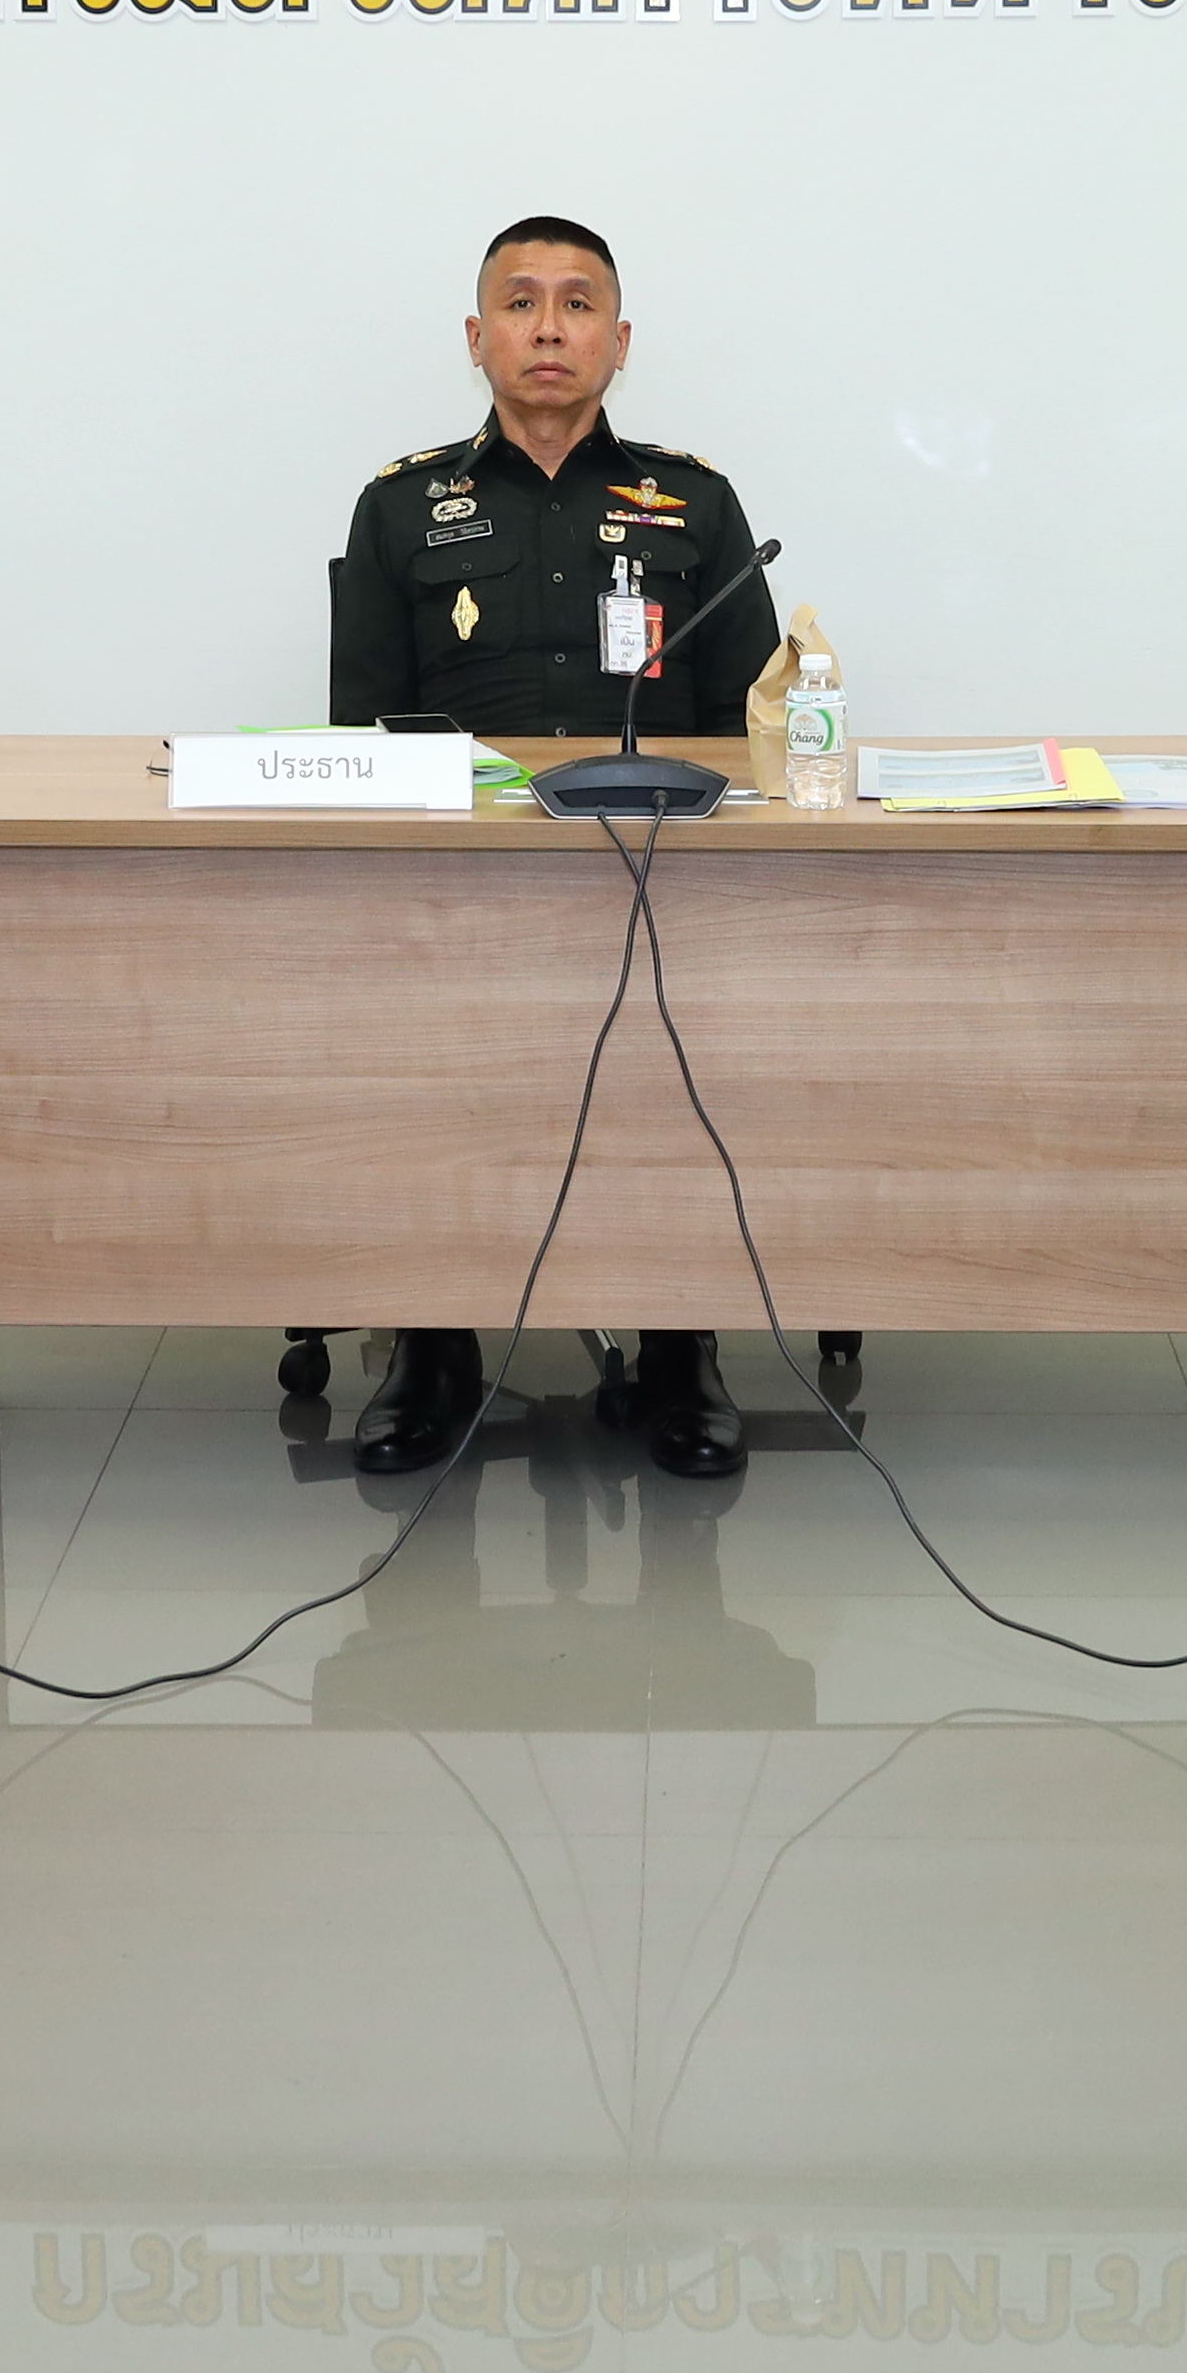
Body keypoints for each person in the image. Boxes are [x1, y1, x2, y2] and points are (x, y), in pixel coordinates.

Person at [325, 215, 780, 1484]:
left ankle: (683, 1344)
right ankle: (432, 1348)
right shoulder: (401, 504)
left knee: (680, 1076)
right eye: (520, 301)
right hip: (461, 881)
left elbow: (752, 723)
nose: (548, 326)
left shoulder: (696, 501)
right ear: (477, 337)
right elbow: (361, 728)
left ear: (619, 342)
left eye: (578, 303)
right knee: (429, 1085)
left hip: (662, 868)